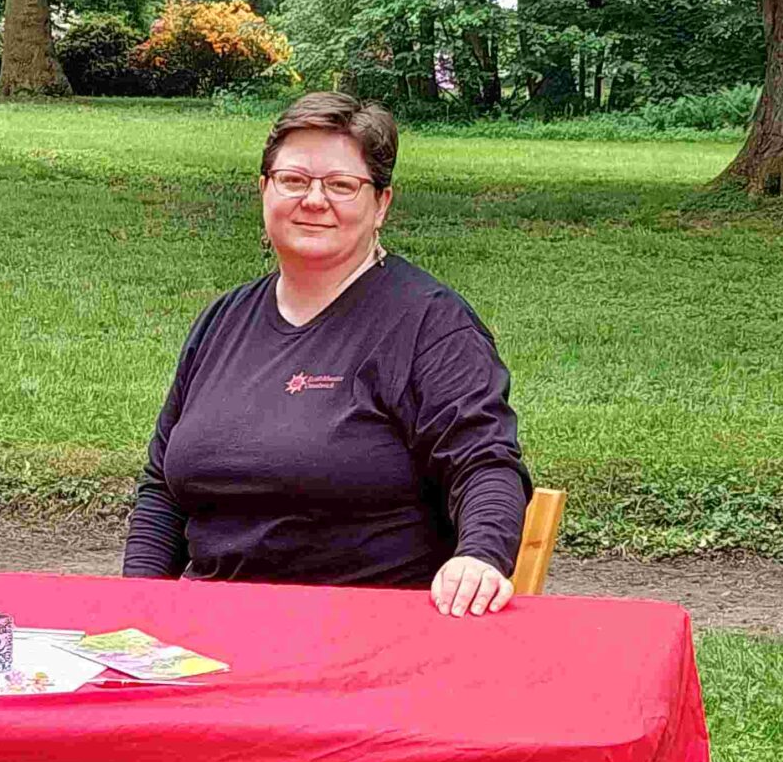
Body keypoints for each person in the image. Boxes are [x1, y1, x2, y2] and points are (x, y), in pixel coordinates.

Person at [122, 92, 532, 616]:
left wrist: (479, 556)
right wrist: (135, 606)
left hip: (367, 640)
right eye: (293, 180)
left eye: (342, 185)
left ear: (381, 203)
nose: (314, 200)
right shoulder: (222, 321)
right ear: (263, 190)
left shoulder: (431, 324)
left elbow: (485, 464)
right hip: (207, 635)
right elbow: (163, 487)